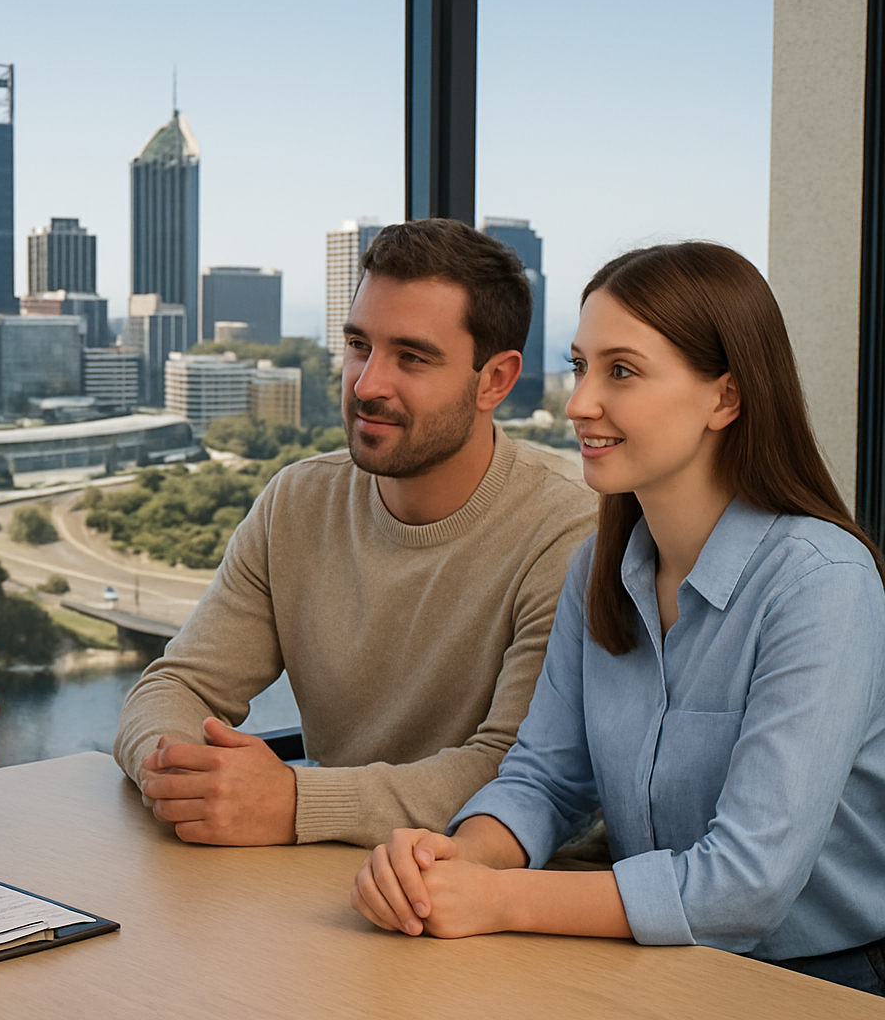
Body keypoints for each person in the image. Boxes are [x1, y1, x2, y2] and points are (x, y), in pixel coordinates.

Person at [350, 242, 885, 995]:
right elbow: (545, 779)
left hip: (821, 982)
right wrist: (453, 863)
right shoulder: (598, 568)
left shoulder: (822, 585)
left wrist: (501, 899)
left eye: (621, 372)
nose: (578, 403)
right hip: (658, 965)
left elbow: (747, 885)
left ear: (725, 398)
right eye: (579, 366)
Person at [112, 219, 596, 848]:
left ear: (496, 381)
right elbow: (178, 685)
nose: (368, 385)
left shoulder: (570, 529)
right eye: (359, 345)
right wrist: (180, 774)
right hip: (331, 880)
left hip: (511, 900)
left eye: (412, 358)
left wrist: (294, 802)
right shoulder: (297, 501)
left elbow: (515, 776)